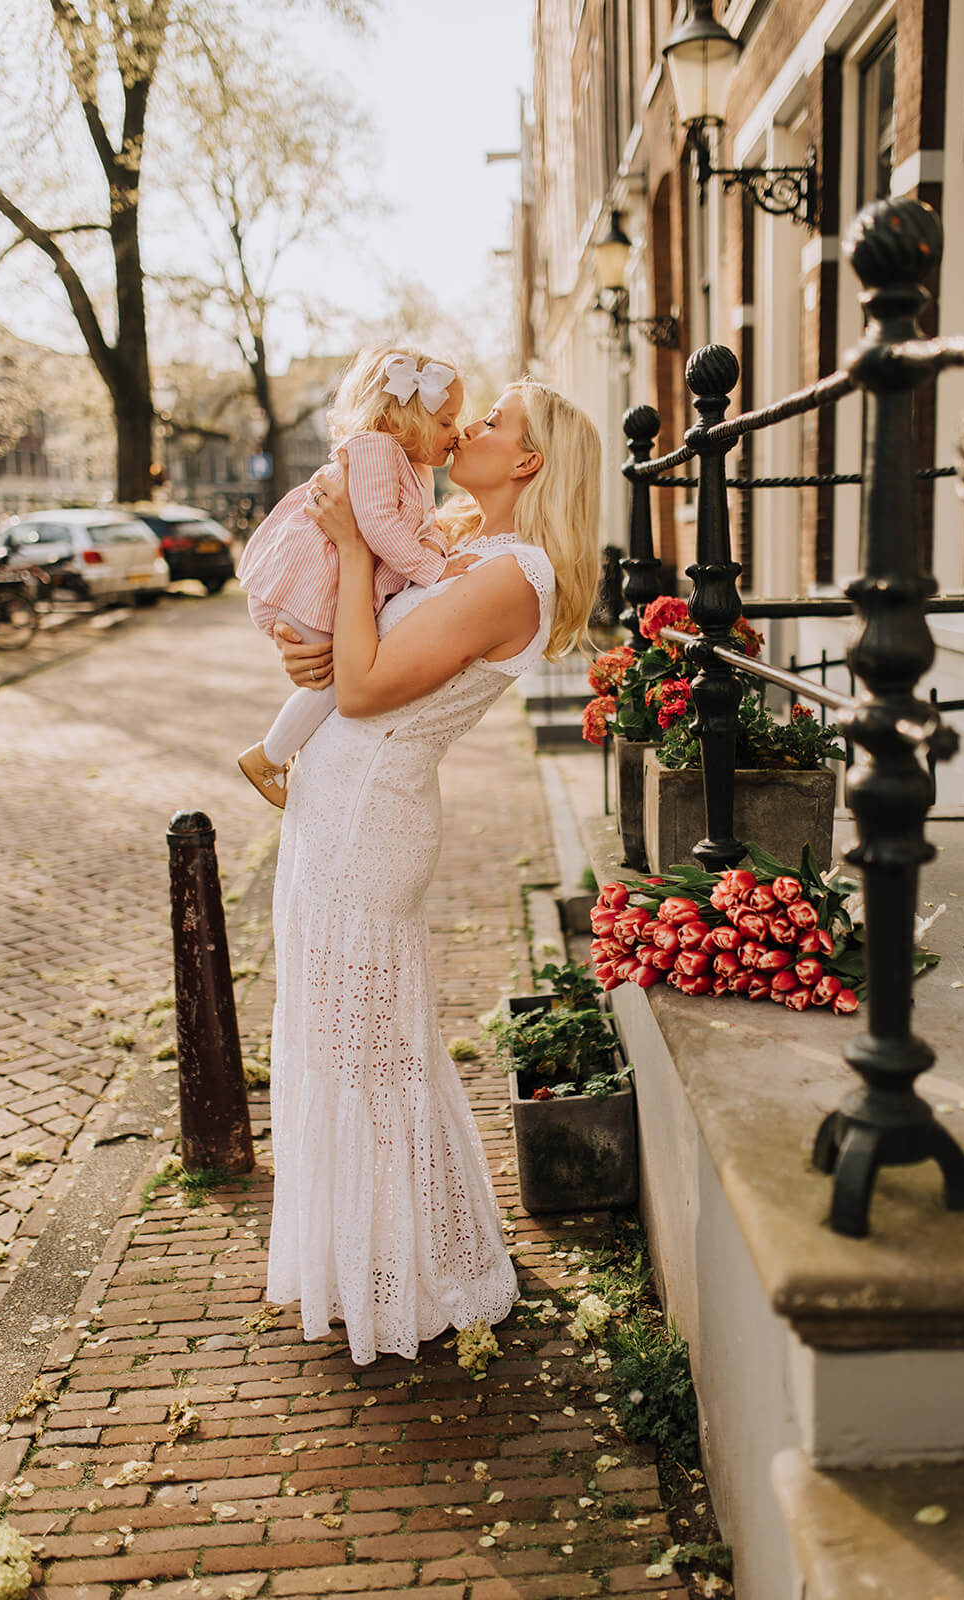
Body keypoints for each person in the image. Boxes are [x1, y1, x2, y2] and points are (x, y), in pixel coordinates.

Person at [265, 378, 602, 1366]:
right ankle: (377, 1262)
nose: (468, 428)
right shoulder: (463, 538)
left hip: (371, 819)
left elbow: (369, 690)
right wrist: (308, 649)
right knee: (346, 1050)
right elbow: (355, 659)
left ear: (529, 460)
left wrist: (363, 550)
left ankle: (409, 1277)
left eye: (494, 421)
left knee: (368, 1060)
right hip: (337, 807)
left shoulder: (515, 576)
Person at [234, 345, 472, 806]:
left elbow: (418, 531)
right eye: (445, 422)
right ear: (397, 420)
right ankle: (268, 757)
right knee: (342, 678)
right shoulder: (375, 448)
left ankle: (279, 757)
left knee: (343, 673)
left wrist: (435, 550)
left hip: (325, 585)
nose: (456, 433)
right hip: (305, 583)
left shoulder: (414, 466)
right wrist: (435, 569)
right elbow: (381, 526)